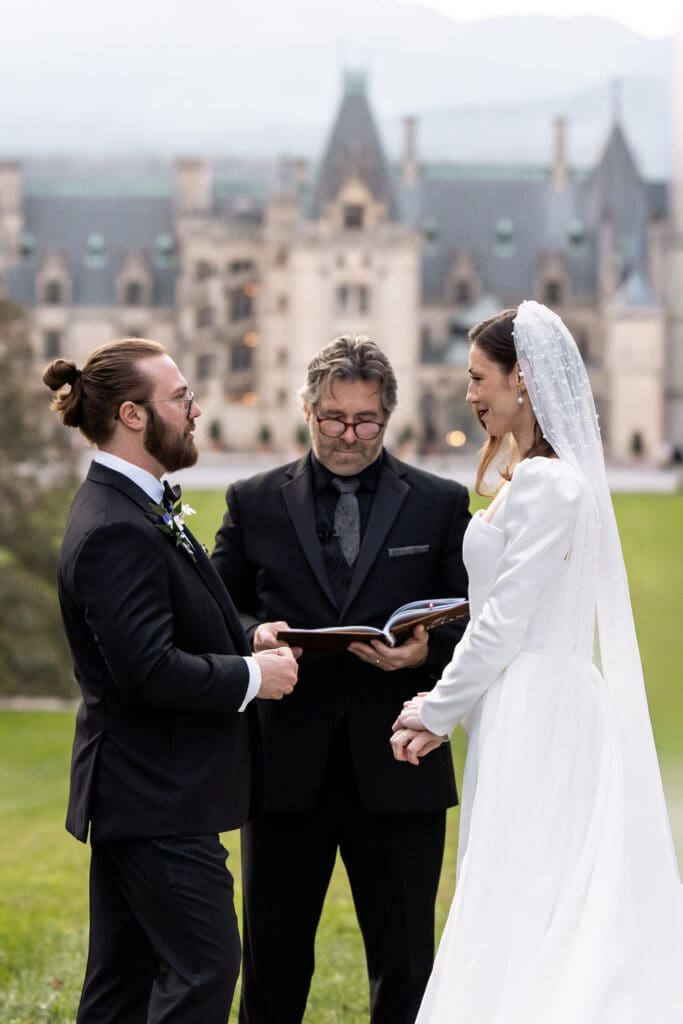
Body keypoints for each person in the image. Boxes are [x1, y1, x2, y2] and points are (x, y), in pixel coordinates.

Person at [391, 301, 683, 1022]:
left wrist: (433, 707)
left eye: (478, 378)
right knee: (516, 879)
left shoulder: (549, 484)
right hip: (521, 696)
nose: (469, 394)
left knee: (519, 882)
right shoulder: (529, 478)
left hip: (536, 700)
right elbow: (503, 606)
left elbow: (503, 624)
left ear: (521, 379)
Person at [211, 335, 470, 1024]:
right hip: (284, 769)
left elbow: (474, 622)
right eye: (331, 418)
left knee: (407, 960)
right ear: (305, 408)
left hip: (398, 761)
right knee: (271, 955)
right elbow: (213, 608)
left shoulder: (439, 504)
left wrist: (423, 656)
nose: (348, 435)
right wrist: (252, 635)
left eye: (364, 421)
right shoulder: (252, 500)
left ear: (389, 414)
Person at [42, 338, 298, 1024]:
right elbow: (146, 670)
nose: (195, 409)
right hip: (157, 795)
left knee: (121, 987)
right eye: (180, 398)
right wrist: (251, 676)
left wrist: (245, 636)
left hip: (145, 793)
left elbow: (156, 627)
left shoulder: (135, 506)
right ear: (132, 414)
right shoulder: (114, 528)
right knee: (204, 969)